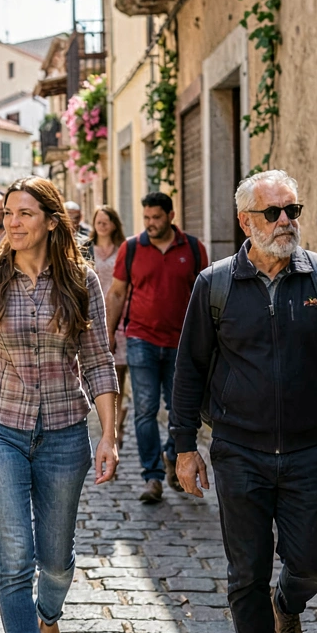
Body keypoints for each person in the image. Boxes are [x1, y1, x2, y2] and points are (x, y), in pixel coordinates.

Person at [171, 170, 317, 633]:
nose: (285, 221)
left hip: (307, 451)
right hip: (238, 452)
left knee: (313, 562)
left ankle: (287, 603)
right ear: (246, 222)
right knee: (246, 575)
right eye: (273, 212)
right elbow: (189, 369)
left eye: (292, 210)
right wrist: (184, 447)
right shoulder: (214, 285)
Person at [0, 177, 119, 633]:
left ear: (52, 222)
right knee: (15, 558)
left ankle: (50, 616)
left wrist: (109, 438)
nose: (10, 222)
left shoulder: (82, 281)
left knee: (56, 564)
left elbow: (98, 360)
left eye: (24, 214)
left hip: (64, 433)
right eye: (8, 212)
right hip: (0, 428)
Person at [104, 192, 208, 503]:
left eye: (156, 218)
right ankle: (153, 477)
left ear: (171, 216)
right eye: (146, 218)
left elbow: (206, 294)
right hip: (140, 339)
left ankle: (171, 455)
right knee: (145, 410)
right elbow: (118, 293)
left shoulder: (191, 248)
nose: (151, 224)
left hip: (182, 344)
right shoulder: (133, 248)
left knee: (181, 410)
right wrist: (108, 332)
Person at [87, 206, 129, 441]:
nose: (101, 225)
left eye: (106, 221)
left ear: (114, 224)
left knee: (117, 373)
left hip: (120, 318)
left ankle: (116, 424)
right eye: (98, 221)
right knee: (94, 373)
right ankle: (108, 421)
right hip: (91, 320)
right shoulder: (85, 249)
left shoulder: (124, 249)